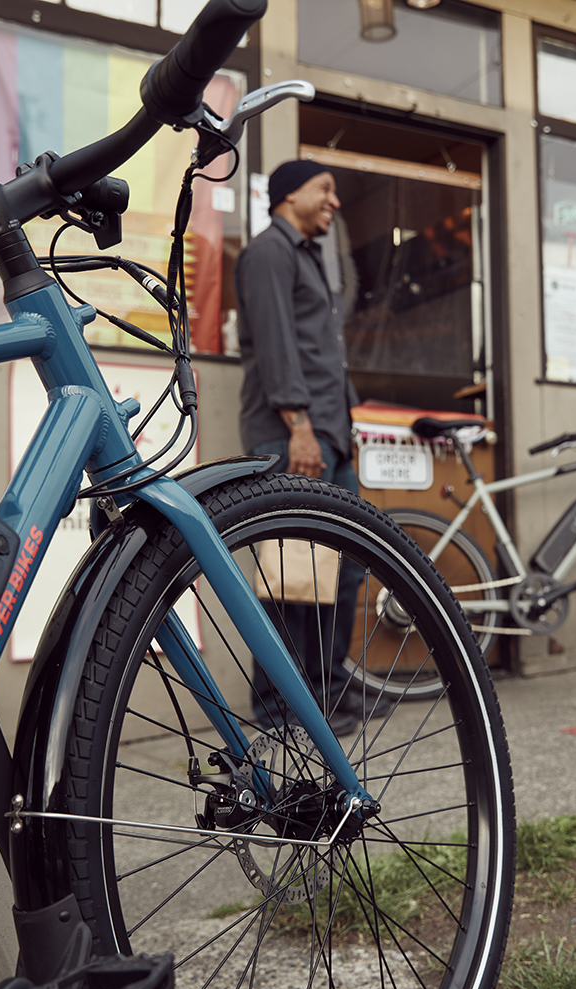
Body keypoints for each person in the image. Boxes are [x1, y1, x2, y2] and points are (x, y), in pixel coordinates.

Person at [236, 159, 388, 736]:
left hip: (327, 433)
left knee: (340, 570)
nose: (335, 201)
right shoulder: (268, 253)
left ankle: (327, 693)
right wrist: (299, 426)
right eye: (325, 190)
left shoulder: (307, 257)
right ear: (289, 194)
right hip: (292, 434)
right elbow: (276, 345)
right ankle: (278, 707)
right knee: (290, 572)